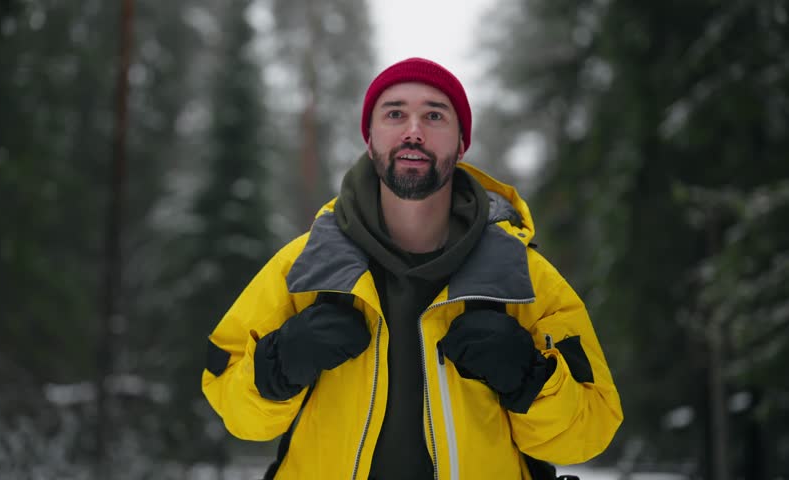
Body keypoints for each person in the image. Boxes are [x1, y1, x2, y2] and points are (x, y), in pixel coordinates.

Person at [202, 57, 623, 479]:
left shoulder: (522, 277)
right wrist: (281, 363)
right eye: (395, 113)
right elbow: (238, 412)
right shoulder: (305, 266)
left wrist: (530, 378)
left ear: (461, 144)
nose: (414, 131)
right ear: (370, 139)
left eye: (435, 115)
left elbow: (589, 433)